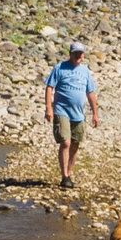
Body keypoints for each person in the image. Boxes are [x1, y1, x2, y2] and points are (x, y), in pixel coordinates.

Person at [43, 39, 99, 190]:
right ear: (70, 54)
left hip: (78, 114)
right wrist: (48, 108)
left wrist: (95, 113)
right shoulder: (60, 68)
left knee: (75, 144)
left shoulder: (85, 71)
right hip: (61, 110)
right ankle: (65, 176)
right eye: (76, 53)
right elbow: (49, 87)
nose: (78, 56)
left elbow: (90, 92)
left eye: (80, 53)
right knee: (66, 142)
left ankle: (69, 172)